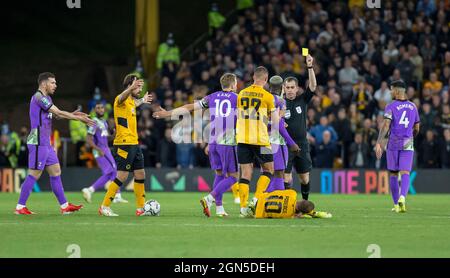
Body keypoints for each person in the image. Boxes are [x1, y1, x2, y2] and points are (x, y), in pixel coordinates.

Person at [154, 73, 239, 217]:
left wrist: (168, 113)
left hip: (212, 140)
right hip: (227, 141)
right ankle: (209, 198)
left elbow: (189, 107)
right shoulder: (237, 98)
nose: (237, 86)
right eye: (236, 83)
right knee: (234, 176)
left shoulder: (212, 97)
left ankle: (219, 209)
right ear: (233, 84)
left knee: (219, 173)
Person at [15, 72, 94, 215]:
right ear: (44, 83)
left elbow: (57, 114)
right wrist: (77, 119)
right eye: (53, 82)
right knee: (35, 173)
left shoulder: (47, 98)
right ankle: (20, 207)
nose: (55, 85)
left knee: (56, 171)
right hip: (38, 140)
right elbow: (58, 112)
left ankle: (64, 206)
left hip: (45, 141)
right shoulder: (39, 97)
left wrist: (74, 114)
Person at [99, 75, 152, 217]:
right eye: (138, 86)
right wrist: (131, 87)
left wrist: (142, 100)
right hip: (124, 144)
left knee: (140, 174)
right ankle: (104, 206)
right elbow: (122, 97)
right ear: (130, 85)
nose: (140, 89)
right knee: (122, 176)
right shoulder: (120, 100)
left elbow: (134, 105)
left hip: (134, 143)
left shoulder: (130, 102)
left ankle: (141, 208)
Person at [236, 66, 278, 217]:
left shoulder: (241, 94)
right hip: (262, 140)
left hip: (242, 139)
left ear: (253, 77)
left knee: (245, 173)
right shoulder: (268, 97)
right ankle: (256, 199)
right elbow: (274, 121)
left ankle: (242, 208)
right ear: (266, 79)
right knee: (269, 170)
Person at [375, 80, 420, 213]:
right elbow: (417, 127)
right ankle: (402, 198)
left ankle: (395, 205)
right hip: (408, 141)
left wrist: (379, 142)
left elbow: (386, 125)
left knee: (394, 173)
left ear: (396, 90)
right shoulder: (413, 106)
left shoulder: (391, 106)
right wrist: (410, 137)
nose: (390, 91)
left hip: (393, 142)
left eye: (391, 89)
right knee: (405, 172)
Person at [283, 55, 317, 200]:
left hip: (302, 144)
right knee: (286, 178)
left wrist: (310, 67)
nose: (290, 90)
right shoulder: (279, 103)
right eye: (287, 87)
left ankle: (304, 203)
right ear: (284, 88)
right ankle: (286, 205)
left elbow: (313, 86)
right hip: (285, 144)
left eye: (292, 87)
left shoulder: (302, 100)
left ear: (297, 89)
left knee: (304, 178)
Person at [81, 102, 128, 204]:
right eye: (98, 108)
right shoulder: (94, 122)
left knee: (111, 172)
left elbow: (105, 138)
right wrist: (98, 149)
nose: (101, 110)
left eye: (102, 108)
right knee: (113, 171)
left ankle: (93, 191)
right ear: (94, 110)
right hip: (101, 151)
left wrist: (114, 135)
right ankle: (92, 190)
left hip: (106, 149)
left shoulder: (104, 122)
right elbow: (88, 139)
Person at [250, 189, 332, 219]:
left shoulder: (293, 194)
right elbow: (300, 216)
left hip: (260, 198)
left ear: (302, 199)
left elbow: (277, 191)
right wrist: (313, 214)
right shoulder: (289, 216)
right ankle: (317, 213)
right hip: (258, 213)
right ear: (300, 213)